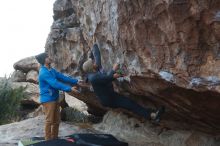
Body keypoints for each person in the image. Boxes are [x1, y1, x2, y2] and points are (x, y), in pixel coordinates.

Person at [83, 44, 165, 122]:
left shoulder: (93, 69)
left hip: (109, 95)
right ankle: (153, 116)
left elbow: (97, 56)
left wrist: (94, 46)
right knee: (130, 104)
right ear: (92, 67)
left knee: (130, 103)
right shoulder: (94, 78)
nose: (94, 62)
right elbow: (108, 78)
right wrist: (114, 69)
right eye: (92, 63)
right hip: (109, 100)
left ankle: (150, 113)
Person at [35, 52, 80, 140]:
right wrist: (70, 89)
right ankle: (48, 140)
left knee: (56, 121)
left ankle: (54, 139)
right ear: (44, 60)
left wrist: (76, 81)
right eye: (48, 57)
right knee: (49, 121)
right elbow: (54, 84)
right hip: (48, 100)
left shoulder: (51, 70)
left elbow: (62, 77)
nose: (50, 57)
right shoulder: (43, 72)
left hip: (54, 98)